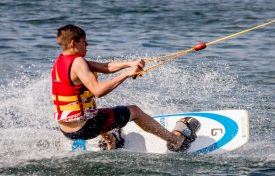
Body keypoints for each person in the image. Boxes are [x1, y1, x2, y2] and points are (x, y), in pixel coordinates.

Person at [51, 24, 199, 152]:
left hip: (67, 130)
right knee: (134, 111)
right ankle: (176, 140)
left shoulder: (61, 62)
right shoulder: (78, 63)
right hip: (86, 128)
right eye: (84, 41)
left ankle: (111, 141)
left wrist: (130, 63)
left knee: (98, 112)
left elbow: (103, 66)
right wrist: (127, 74)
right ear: (73, 43)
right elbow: (98, 91)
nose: (87, 44)